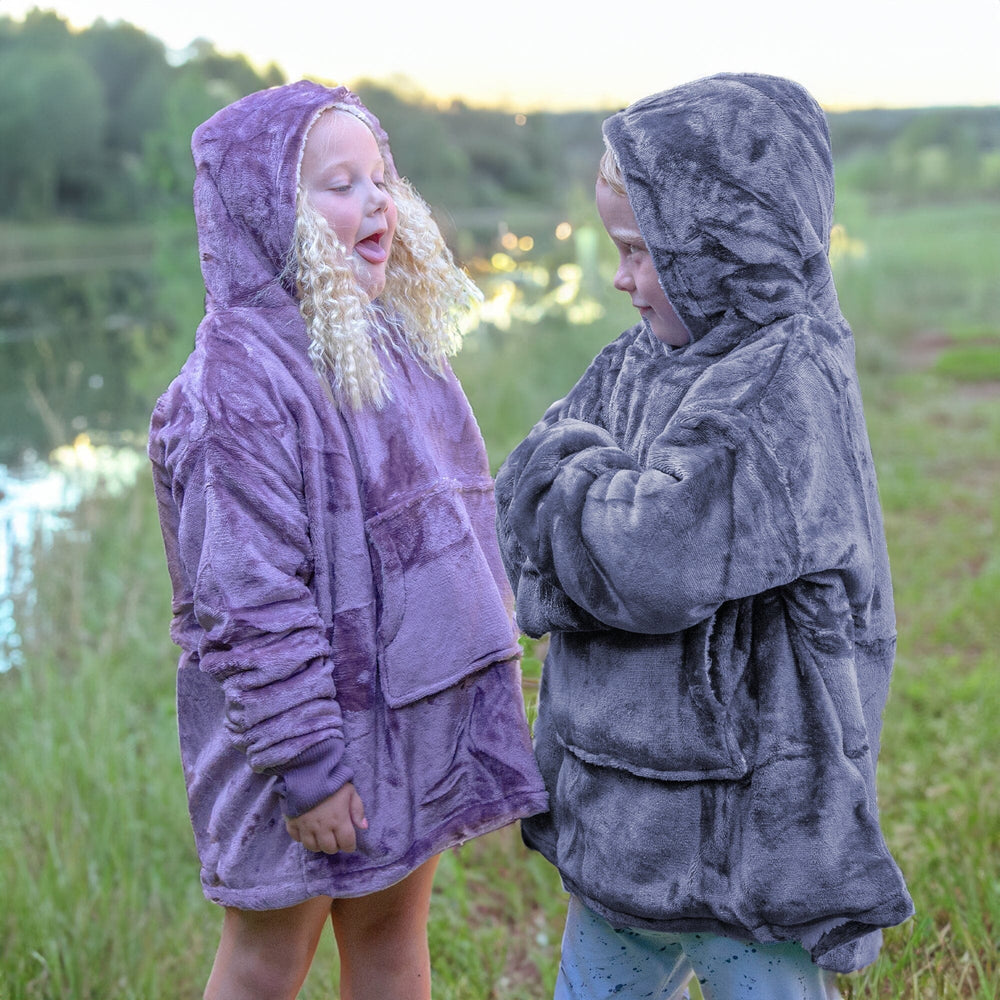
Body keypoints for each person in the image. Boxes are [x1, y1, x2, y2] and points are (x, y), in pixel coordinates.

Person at [495, 73, 914, 1000]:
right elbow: (522, 494)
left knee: (762, 984)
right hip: (624, 815)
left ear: (722, 248)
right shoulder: (645, 358)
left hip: (741, 829)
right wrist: (574, 496)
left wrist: (561, 491)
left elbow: (648, 556)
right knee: (594, 982)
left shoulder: (778, 386)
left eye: (639, 252)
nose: (620, 278)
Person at [148, 80, 547, 1000]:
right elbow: (249, 600)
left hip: (404, 719)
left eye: (380, 178)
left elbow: (451, 520)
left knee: (392, 934)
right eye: (339, 185)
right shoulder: (234, 389)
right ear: (265, 212)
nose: (376, 202)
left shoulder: (384, 343)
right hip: (296, 738)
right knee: (267, 958)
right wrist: (308, 765)